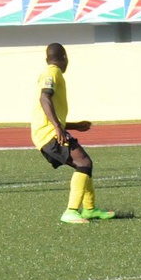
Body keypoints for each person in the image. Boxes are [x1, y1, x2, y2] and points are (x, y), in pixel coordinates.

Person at [31, 43, 115, 224]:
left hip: (47, 131)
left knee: (84, 165)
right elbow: (44, 98)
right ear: (65, 58)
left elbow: (47, 108)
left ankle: (90, 209)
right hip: (48, 133)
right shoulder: (51, 73)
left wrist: (73, 125)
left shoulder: (53, 73)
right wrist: (59, 128)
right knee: (83, 162)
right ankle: (71, 211)